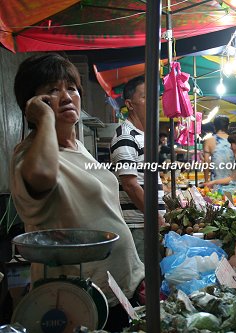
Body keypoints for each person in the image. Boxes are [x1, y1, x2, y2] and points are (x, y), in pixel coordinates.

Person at [10, 54, 144, 331]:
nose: (65, 95)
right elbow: (43, 177)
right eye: (51, 91)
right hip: (80, 298)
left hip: (119, 288)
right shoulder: (30, 154)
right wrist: (45, 120)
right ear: (32, 105)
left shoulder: (79, 148)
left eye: (71, 87)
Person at [110, 76, 166, 262]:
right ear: (130, 104)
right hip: (139, 225)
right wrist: (155, 217)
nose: (153, 103)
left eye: (154, 97)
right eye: (144, 97)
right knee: (144, 283)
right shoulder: (126, 136)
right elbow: (130, 185)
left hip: (146, 223)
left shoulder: (143, 136)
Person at [203, 116, 236, 193]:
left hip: (216, 185)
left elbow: (206, 164)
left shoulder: (209, 140)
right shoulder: (234, 140)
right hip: (233, 185)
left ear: (214, 126)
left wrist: (206, 182)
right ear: (228, 126)